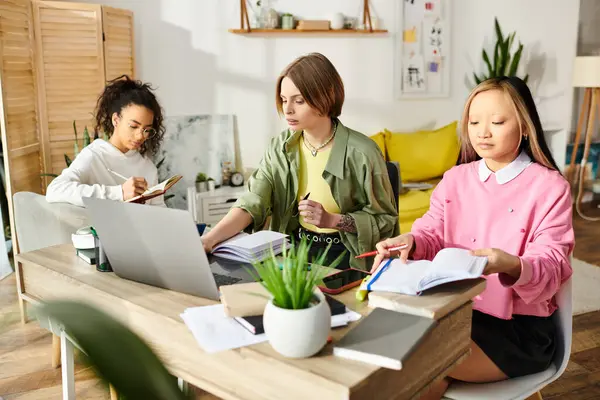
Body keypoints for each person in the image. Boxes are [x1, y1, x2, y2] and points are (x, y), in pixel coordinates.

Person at [371, 76, 574, 399]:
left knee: (410, 366)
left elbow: (553, 264)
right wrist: (409, 240)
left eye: (496, 121)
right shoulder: (455, 179)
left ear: (525, 127)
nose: (482, 132)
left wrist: (510, 263)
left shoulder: (549, 188)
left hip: (518, 332)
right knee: (403, 364)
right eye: (474, 121)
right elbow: (431, 231)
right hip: (457, 311)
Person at [201, 53, 398, 270]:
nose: (287, 110)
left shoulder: (363, 152)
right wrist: (209, 240)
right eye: (284, 100)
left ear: (326, 96)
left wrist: (333, 220)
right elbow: (252, 201)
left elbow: (385, 220)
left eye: (299, 100)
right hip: (293, 251)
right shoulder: (280, 148)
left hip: (346, 256)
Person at [46, 75, 166, 207]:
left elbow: (159, 210)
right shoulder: (95, 155)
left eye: (147, 130)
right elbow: (55, 190)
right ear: (116, 120)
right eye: (133, 126)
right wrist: (119, 193)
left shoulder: (148, 168)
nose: (140, 136)